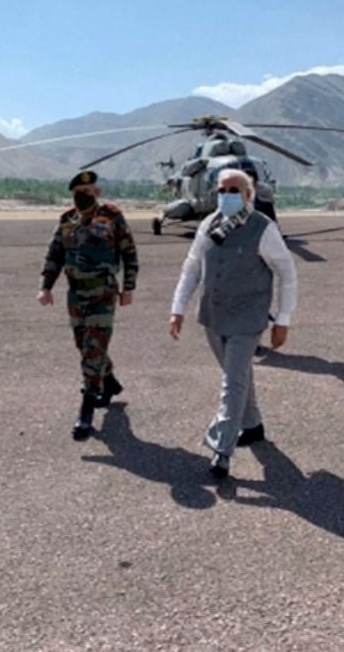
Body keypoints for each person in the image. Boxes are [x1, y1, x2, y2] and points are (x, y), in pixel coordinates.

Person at [169, 168, 297, 479]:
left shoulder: (262, 228)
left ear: (248, 194)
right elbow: (192, 268)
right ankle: (252, 425)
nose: (226, 195)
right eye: (222, 190)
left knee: (232, 384)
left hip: (247, 319)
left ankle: (221, 449)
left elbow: (287, 273)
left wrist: (282, 320)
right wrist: (177, 309)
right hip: (213, 317)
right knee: (236, 375)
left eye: (234, 190)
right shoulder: (208, 225)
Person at [36, 170, 139, 441]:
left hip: (103, 294)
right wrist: (45, 286)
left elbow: (129, 253)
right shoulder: (67, 220)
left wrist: (128, 287)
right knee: (84, 346)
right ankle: (110, 382)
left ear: (97, 192)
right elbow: (55, 255)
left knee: (93, 350)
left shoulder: (112, 217)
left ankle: (86, 409)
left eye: (89, 191)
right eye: (79, 193)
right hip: (76, 294)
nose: (84, 196)